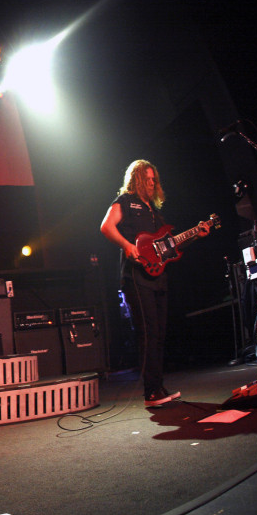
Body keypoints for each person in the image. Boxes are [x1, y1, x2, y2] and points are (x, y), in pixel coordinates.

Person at [100, 160, 209, 408]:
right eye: (148, 179)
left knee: (158, 333)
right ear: (137, 178)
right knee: (148, 332)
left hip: (158, 276)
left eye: (154, 180)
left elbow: (169, 247)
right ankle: (151, 392)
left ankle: (157, 387)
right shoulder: (125, 202)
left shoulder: (154, 212)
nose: (152, 183)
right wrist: (127, 246)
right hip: (136, 277)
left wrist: (194, 236)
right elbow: (106, 227)